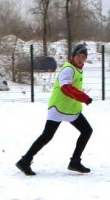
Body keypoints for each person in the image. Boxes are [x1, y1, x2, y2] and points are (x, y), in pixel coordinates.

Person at [15, 43, 94, 175]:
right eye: (78, 56)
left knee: (86, 131)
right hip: (58, 107)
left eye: (83, 57)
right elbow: (65, 88)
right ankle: (25, 161)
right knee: (47, 136)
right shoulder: (68, 69)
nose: (81, 59)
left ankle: (74, 161)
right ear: (73, 56)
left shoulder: (78, 68)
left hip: (70, 108)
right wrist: (83, 97)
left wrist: (80, 98)